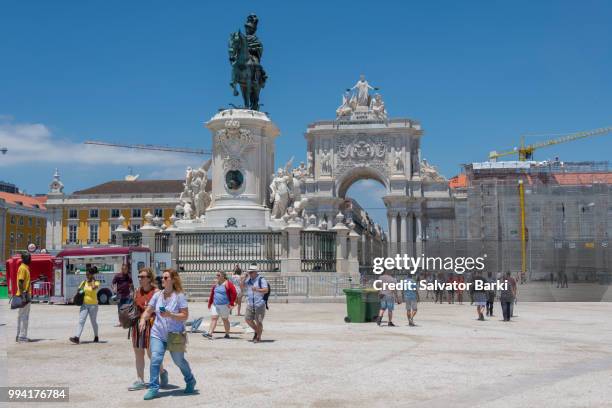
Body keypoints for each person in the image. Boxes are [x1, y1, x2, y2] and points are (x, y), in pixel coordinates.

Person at [139, 269, 196, 400]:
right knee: (155, 360)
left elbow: (185, 315)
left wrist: (171, 315)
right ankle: (154, 388)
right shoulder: (157, 295)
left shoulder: (179, 296)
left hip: (174, 334)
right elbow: (149, 310)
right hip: (158, 333)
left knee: (179, 361)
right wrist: (143, 318)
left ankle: (190, 380)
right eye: (162, 278)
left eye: (165, 278)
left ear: (173, 280)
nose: (162, 280)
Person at [128, 267, 167, 391]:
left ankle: (162, 372)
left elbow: (162, 309)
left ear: (149, 278)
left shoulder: (157, 292)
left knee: (151, 354)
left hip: (152, 325)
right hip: (138, 325)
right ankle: (140, 380)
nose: (140, 278)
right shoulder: (137, 291)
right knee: (138, 353)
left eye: (143, 276)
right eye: (139, 276)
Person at [69, 267, 100, 344]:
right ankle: (77, 337)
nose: (86, 275)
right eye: (86, 274)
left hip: (93, 305)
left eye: (88, 274)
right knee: (81, 321)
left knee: (93, 322)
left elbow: (93, 288)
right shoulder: (84, 282)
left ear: (92, 275)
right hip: (84, 304)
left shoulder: (96, 282)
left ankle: (96, 336)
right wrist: (74, 298)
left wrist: (92, 280)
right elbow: (79, 290)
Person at [203, 271, 237, 340]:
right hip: (215, 305)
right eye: (216, 275)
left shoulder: (228, 284)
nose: (217, 276)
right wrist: (210, 303)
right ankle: (210, 334)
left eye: (218, 275)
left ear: (223, 276)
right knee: (214, 318)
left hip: (224, 305)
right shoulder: (216, 284)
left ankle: (227, 334)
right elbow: (212, 294)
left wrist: (231, 303)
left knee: (225, 319)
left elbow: (234, 293)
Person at [241, 264, 269, 343]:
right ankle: (257, 331)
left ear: (256, 272)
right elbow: (242, 287)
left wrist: (257, 289)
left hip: (259, 304)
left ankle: (258, 337)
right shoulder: (249, 280)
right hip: (250, 303)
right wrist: (244, 278)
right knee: (247, 319)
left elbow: (266, 290)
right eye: (249, 272)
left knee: (259, 321)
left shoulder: (261, 279)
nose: (250, 273)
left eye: (251, 272)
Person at [16, 252, 32, 343]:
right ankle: (22, 337)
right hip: (24, 295)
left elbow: (25, 282)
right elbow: (20, 282)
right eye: (29, 258)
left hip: (24, 293)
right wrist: (23, 295)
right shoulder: (23, 268)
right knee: (24, 316)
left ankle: (19, 335)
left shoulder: (25, 268)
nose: (30, 260)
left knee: (21, 315)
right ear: (24, 259)